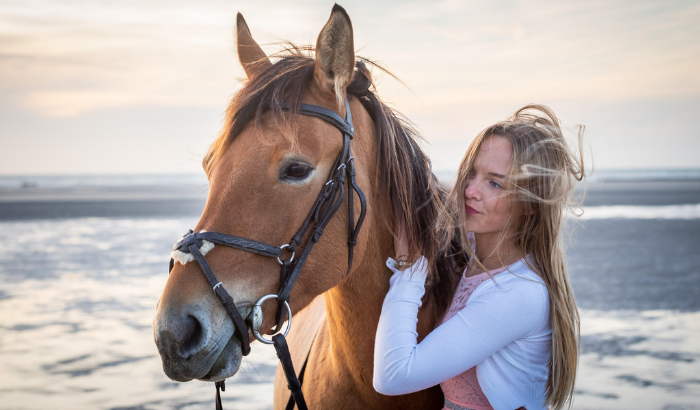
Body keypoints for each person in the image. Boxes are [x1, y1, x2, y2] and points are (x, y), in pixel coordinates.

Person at [373, 104, 584, 410]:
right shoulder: (474, 253)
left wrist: (408, 269)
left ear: (530, 205)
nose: (470, 190)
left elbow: (393, 377)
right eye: (471, 174)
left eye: (495, 183)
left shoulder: (518, 293)